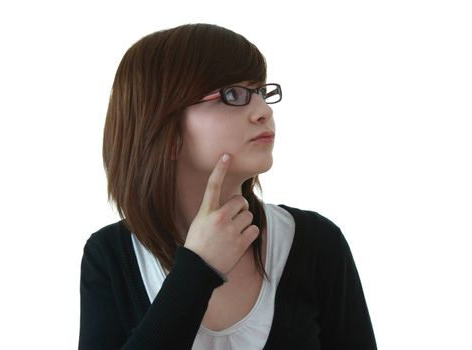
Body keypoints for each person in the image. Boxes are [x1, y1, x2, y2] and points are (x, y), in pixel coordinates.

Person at [78, 23, 377, 349]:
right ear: (164, 130)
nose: (264, 111)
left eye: (261, 92)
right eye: (232, 94)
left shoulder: (317, 244)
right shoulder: (110, 256)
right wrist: (197, 269)